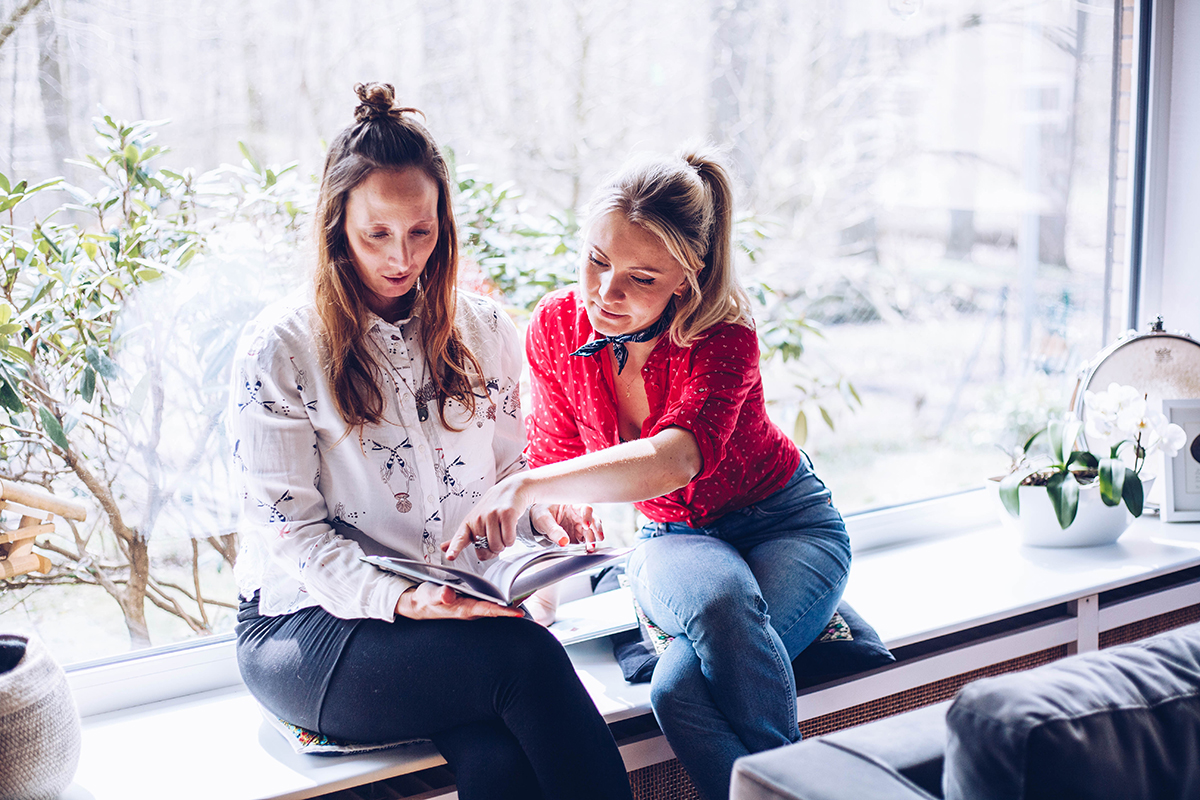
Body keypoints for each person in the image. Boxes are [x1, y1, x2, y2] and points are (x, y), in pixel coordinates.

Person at [229, 82, 633, 800]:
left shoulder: (485, 331)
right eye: (376, 233)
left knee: (499, 761)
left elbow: (510, 467)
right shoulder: (280, 349)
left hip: (449, 611)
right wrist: (403, 600)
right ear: (335, 225)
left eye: (421, 230)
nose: (401, 256)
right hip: (308, 625)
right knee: (528, 661)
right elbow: (293, 534)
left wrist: (545, 509)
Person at [447, 147, 852, 800]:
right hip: (676, 539)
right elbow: (555, 467)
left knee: (676, 688)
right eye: (597, 261)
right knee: (718, 601)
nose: (606, 293)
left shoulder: (724, 335)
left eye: (641, 278)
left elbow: (675, 460)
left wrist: (526, 486)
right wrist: (536, 602)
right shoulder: (554, 328)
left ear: (685, 281)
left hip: (789, 522)